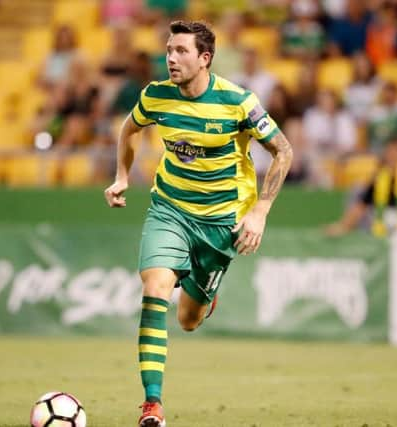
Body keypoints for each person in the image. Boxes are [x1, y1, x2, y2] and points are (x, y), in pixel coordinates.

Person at [103, 20, 293, 427]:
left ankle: (204, 294)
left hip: (220, 222)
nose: (171, 58)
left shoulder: (238, 102)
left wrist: (260, 211)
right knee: (155, 288)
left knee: (187, 319)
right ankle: (152, 404)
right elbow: (130, 128)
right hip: (169, 207)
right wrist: (122, 175)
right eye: (169, 50)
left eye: (181, 51)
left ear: (205, 58)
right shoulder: (155, 96)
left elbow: (283, 151)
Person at [325, 139, 397, 237]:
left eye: (396, 154)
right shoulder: (379, 178)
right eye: (390, 154)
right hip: (382, 231)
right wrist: (343, 226)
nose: (393, 157)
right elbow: (361, 206)